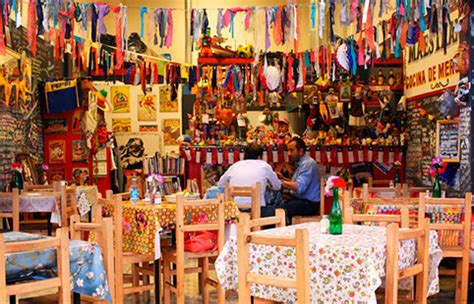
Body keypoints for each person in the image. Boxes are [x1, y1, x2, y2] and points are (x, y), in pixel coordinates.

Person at [218, 143, 282, 217]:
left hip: (234, 211)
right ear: (259, 156)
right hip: (258, 211)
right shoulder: (264, 165)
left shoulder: (235, 166)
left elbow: (221, 184)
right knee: (280, 207)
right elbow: (277, 186)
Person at [278, 137, 321, 223]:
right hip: (302, 200)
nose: (289, 154)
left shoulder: (308, 164)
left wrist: (280, 182)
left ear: (300, 151)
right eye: (288, 151)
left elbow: (299, 187)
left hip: (309, 204)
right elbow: (296, 183)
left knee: (279, 210)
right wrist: (283, 178)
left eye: (291, 150)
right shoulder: (301, 163)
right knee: (278, 203)